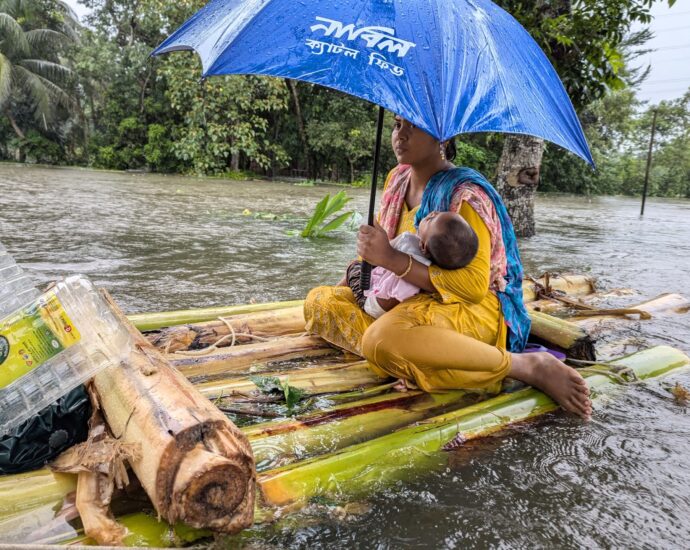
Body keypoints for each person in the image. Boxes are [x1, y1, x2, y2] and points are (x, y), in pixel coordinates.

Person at [304, 116, 592, 419]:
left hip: (465, 309)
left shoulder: (465, 196)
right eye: (397, 125)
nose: (400, 135)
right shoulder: (395, 181)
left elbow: (472, 287)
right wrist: (354, 278)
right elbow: (377, 262)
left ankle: (523, 366)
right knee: (319, 301)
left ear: (443, 138)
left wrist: (392, 259)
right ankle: (420, 358)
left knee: (381, 341)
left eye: (413, 126)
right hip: (403, 301)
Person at [345, 211, 479, 319]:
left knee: (354, 266)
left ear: (423, 246)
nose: (433, 213)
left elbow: (379, 254)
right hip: (385, 306)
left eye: (431, 219)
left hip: (372, 305)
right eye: (438, 213)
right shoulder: (430, 268)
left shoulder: (408, 240)